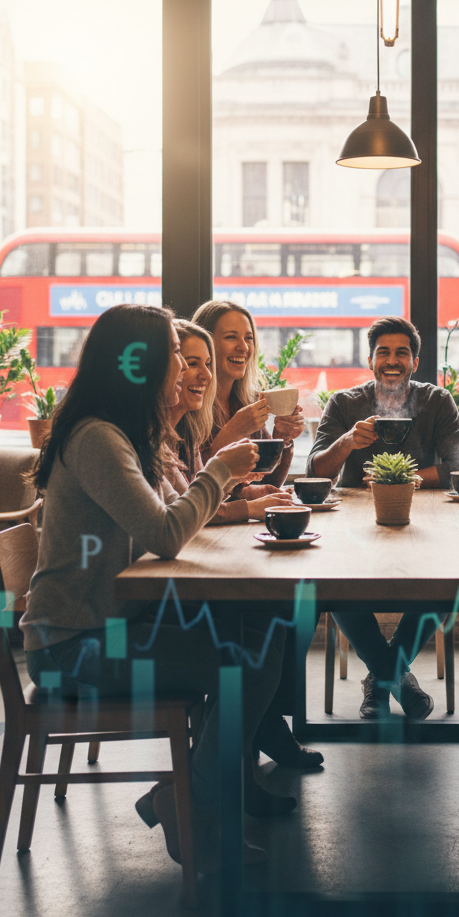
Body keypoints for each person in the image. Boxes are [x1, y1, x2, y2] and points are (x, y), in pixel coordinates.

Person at [20, 303, 287, 871]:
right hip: (73, 648)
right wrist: (219, 469)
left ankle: (190, 797)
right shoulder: (98, 440)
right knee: (256, 654)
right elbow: (167, 534)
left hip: (110, 626)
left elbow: (171, 516)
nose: (183, 362)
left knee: (263, 631)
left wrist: (216, 476)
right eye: (172, 350)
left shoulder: (128, 434)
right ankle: (190, 800)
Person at [165, 317, 324, 771]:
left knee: (288, 609)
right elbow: (182, 510)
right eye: (185, 361)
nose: (241, 347)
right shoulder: (166, 430)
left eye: (248, 337)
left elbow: (208, 490)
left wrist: (282, 445)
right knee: (266, 625)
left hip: (191, 559)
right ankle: (240, 755)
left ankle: (256, 733)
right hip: (138, 610)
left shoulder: (229, 404)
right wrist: (244, 495)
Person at [307, 315, 459, 719]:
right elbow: (315, 472)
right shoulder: (345, 404)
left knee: (446, 582)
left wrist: (403, 477)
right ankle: (394, 676)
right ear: (370, 360)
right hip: (354, 529)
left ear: (415, 361)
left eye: (403, 352)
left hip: (425, 525)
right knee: (333, 584)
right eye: (384, 352)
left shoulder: (436, 402)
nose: (393, 360)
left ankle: (381, 679)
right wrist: (347, 442)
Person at [192, 299, 305, 490]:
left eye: (249, 338)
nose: (243, 347)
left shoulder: (248, 402)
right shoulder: (188, 403)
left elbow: (267, 484)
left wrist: (283, 439)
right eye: (231, 337)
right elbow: (188, 488)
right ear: (205, 343)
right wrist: (233, 432)